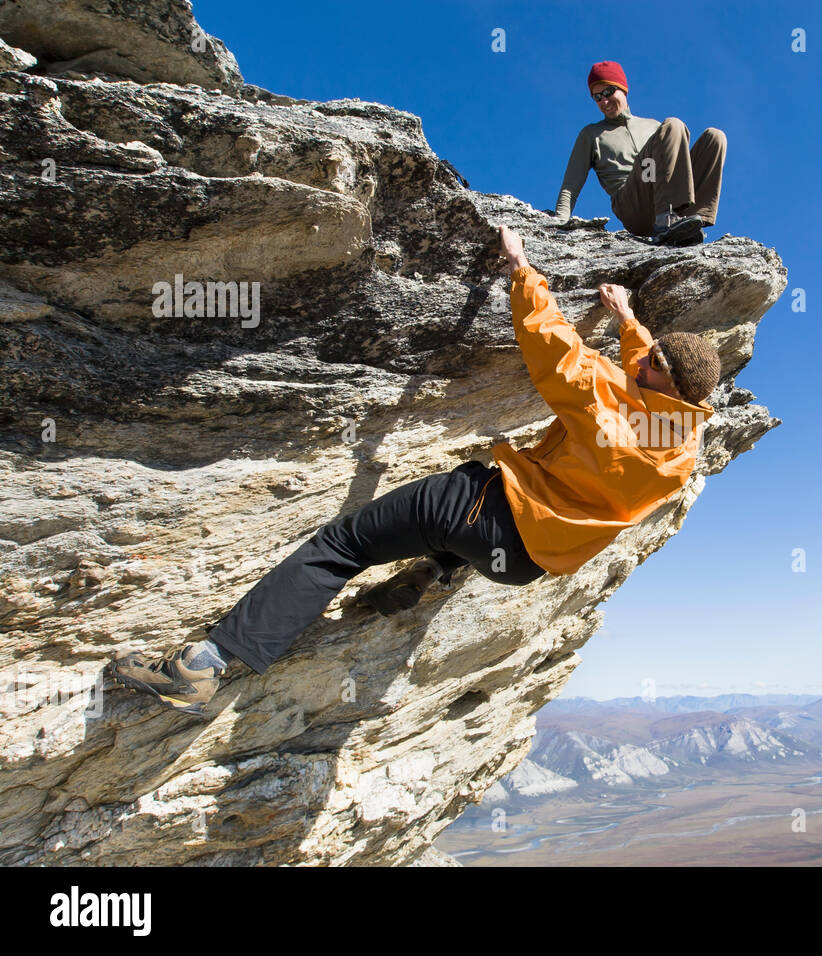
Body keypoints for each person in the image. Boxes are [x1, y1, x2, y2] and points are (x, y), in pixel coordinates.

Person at [109, 225, 723, 717]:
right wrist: (629, 323)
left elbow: (559, 356)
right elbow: (653, 380)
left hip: (481, 511)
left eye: (655, 363)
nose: (646, 363)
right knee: (469, 534)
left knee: (342, 545)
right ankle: (430, 568)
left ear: (667, 384)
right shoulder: (680, 444)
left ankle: (202, 665)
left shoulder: (611, 401)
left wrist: (522, 270)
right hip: (523, 564)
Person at [553, 60, 727, 246]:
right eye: (597, 97)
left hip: (664, 195)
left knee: (715, 137)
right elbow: (571, 185)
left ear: (623, 89)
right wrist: (557, 221)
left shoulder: (653, 126)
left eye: (608, 92)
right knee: (673, 125)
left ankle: (691, 222)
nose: (604, 101)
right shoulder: (591, 134)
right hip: (633, 205)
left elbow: (673, 164)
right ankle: (665, 221)